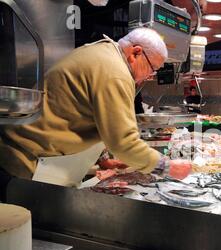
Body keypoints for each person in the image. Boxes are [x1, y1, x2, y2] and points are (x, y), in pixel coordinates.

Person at [0, 28, 191, 202]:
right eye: (152, 68)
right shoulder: (115, 72)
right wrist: (166, 166)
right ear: (136, 52)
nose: (150, 76)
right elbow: (124, 143)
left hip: (34, 158)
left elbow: (85, 113)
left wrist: (102, 158)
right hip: (26, 163)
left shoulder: (103, 53)